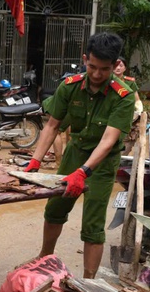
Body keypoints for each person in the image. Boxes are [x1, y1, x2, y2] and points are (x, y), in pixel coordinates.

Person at [22, 32, 135, 279]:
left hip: (102, 164)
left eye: (103, 69)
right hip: (74, 154)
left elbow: (108, 141)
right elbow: (52, 125)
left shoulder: (123, 96)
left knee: (93, 226)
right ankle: (44, 258)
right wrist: (35, 161)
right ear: (85, 59)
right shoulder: (70, 86)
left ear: (115, 65)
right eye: (92, 66)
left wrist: (84, 172)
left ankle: (89, 282)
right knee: (55, 208)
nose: (96, 74)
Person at [114, 57, 145, 155]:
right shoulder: (105, 81)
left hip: (126, 117)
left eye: (121, 65)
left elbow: (137, 100)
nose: (118, 68)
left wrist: (137, 112)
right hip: (110, 115)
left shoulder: (130, 83)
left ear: (125, 68)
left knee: (126, 143)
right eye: (115, 65)